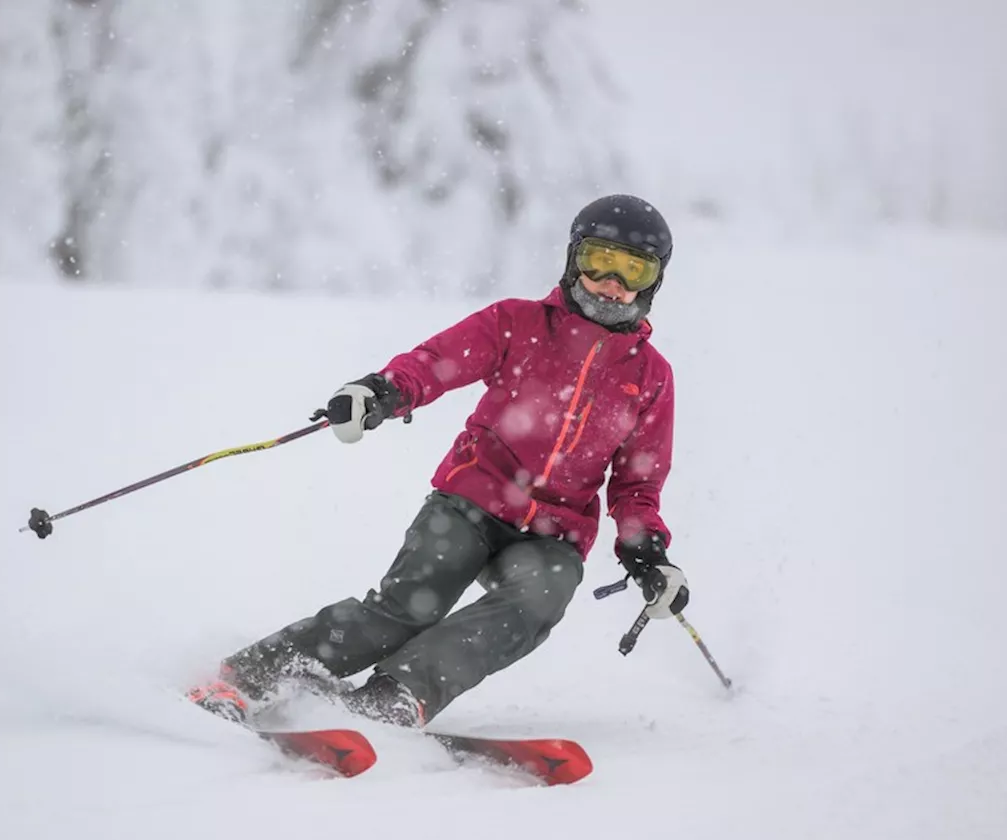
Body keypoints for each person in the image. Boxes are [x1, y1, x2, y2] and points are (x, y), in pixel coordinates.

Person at [187, 194, 690, 729]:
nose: (612, 283)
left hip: (552, 535)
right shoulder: (517, 323)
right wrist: (381, 392)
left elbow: (638, 484)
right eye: (599, 261)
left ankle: (396, 695)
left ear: (653, 282)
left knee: (537, 601)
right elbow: (435, 363)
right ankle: (250, 676)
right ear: (573, 260)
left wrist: (647, 551)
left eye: (633, 269)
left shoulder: (651, 377)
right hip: (470, 504)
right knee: (406, 611)